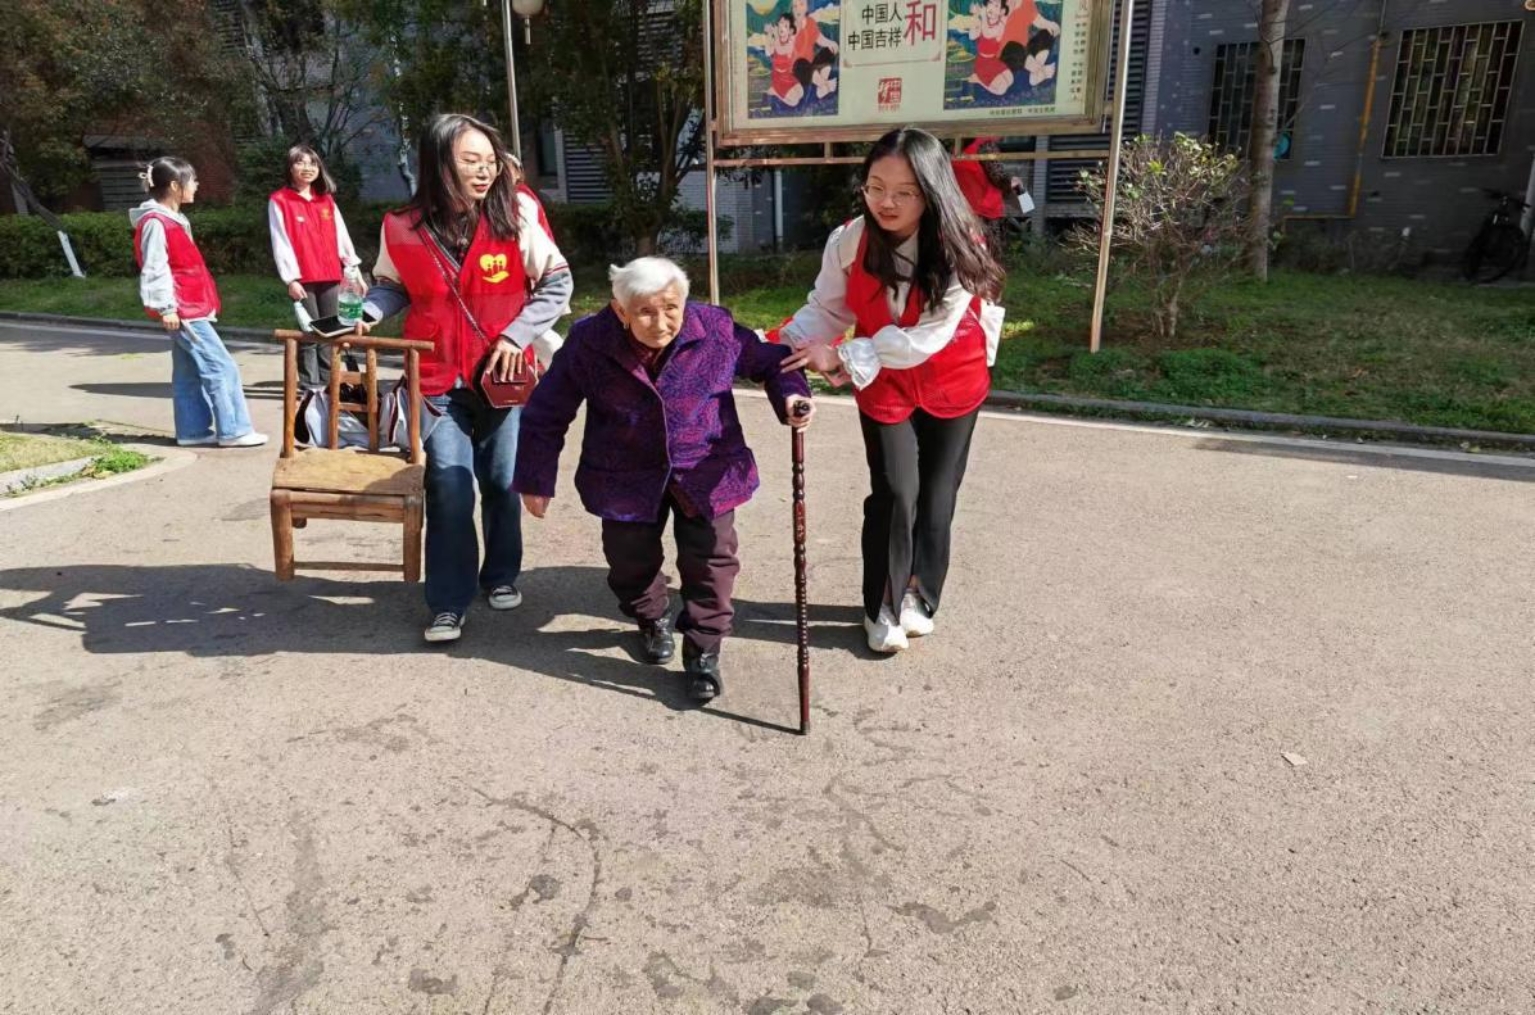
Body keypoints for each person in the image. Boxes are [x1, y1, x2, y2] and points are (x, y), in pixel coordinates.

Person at [513, 257, 814, 703]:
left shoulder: (715, 328)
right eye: (646, 312)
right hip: (623, 472)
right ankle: (651, 616)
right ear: (620, 310)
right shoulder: (590, 340)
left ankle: (704, 650)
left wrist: (792, 397)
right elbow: (547, 411)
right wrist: (536, 478)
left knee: (712, 562)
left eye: (671, 308)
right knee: (628, 562)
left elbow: (773, 362)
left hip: (705, 469)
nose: (661, 323)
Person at [777, 127, 1005, 654]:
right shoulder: (850, 239)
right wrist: (785, 344)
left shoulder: (959, 242)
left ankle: (919, 594)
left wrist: (843, 356)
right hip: (883, 378)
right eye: (876, 187)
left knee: (937, 492)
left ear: (932, 192)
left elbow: (930, 335)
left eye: (905, 192)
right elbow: (828, 307)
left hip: (952, 374)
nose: (887, 202)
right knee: (896, 490)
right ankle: (880, 604)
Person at [357, 113, 572, 644]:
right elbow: (391, 285)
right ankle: (448, 602)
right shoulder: (400, 226)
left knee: (500, 481)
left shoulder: (516, 213)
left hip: (503, 377)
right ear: (438, 164)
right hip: (435, 378)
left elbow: (556, 282)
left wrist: (515, 336)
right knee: (449, 486)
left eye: (490, 161)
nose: (484, 171)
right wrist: (368, 310)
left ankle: (500, 574)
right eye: (470, 161)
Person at [130, 157, 267, 449]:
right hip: (184, 309)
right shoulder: (156, 222)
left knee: (188, 373)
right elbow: (154, 267)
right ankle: (234, 430)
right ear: (175, 185)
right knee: (221, 367)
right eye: (192, 180)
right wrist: (166, 307)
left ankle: (192, 431)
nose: (196, 185)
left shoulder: (169, 219)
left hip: (187, 306)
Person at [268, 144, 363, 390]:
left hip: (331, 274)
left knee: (332, 330)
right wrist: (291, 279)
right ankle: (311, 385)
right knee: (309, 332)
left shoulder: (326, 200)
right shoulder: (280, 200)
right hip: (303, 278)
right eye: (300, 162)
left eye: (313, 163)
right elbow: (280, 241)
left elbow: (341, 236)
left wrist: (354, 269)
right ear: (290, 168)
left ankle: (331, 381)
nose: (307, 168)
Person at [951, 137, 1024, 250]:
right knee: (990, 253)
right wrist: (1014, 182)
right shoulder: (986, 146)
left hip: (962, 212)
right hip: (986, 213)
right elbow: (999, 178)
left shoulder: (958, 148)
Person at [999, 0, 1061, 87]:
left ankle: (1035, 75)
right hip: (1006, 54)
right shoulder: (1000, 5)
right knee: (1013, 47)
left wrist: (1051, 25)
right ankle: (1041, 71)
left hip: (1024, 51)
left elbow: (1039, 21)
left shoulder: (1026, 3)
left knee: (1046, 33)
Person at [790, 0, 839, 100]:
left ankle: (821, 88)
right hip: (797, 69)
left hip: (811, 64)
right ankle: (825, 85)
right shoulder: (790, 26)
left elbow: (821, 39)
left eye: (801, 4)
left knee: (829, 50)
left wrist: (832, 44)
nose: (798, 8)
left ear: (806, 7)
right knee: (801, 63)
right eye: (795, 6)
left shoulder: (810, 22)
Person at [966, 0, 1013, 96]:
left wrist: (983, 16)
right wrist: (975, 16)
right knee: (1002, 89)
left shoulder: (1000, 26)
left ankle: (983, 79)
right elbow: (972, 36)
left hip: (993, 61)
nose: (991, 8)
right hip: (982, 63)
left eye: (996, 6)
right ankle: (979, 80)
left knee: (1010, 79)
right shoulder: (982, 22)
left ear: (1002, 11)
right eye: (989, 4)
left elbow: (987, 33)